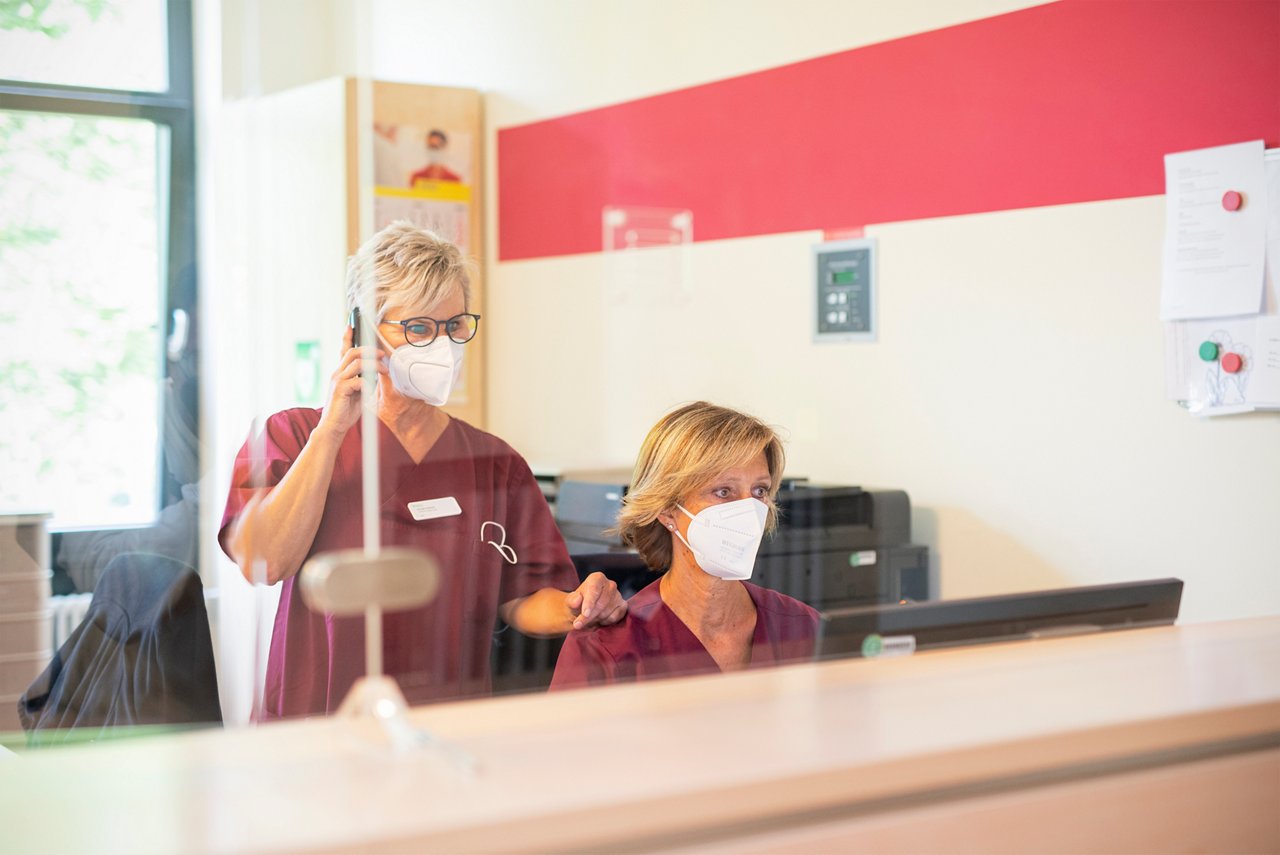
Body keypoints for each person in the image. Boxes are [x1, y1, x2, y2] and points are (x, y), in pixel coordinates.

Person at [220, 222, 625, 718]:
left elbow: (523, 597)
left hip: (446, 724)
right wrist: (332, 431)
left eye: (455, 326)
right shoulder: (294, 436)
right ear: (361, 331)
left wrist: (579, 606)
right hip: (320, 724)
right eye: (418, 328)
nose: (442, 345)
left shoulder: (493, 464)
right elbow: (265, 560)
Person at [549, 402, 818, 689]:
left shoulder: (802, 628)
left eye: (759, 491)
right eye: (724, 491)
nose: (748, 510)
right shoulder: (605, 647)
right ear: (667, 509)